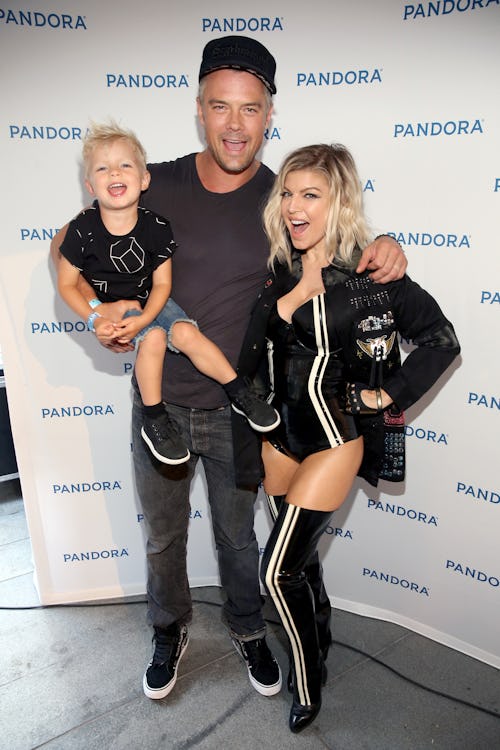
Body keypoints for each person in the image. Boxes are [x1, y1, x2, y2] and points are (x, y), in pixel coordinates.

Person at [50, 36, 407, 703]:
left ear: (270, 114)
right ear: (199, 110)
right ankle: (168, 629)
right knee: (162, 537)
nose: (235, 124)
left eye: (250, 108)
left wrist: (386, 244)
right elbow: (68, 244)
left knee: (239, 540)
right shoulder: (152, 183)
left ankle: (247, 629)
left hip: (242, 409)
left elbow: (344, 247)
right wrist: (102, 311)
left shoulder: (283, 202)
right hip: (160, 405)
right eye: (220, 106)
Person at [236, 143, 460, 732]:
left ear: (340, 201)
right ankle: (321, 633)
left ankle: (308, 680)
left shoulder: (372, 273)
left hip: (334, 441)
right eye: (288, 193)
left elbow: (441, 340)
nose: (294, 207)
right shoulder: (280, 265)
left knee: (276, 572)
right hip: (278, 440)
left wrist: (383, 397)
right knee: (301, 562)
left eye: (310, 195)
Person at [57, 121, 280, 466]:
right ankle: (154, 418)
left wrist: (146, 316)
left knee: (187, 333)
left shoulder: (156, 226)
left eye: (125, 165)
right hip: (117, 311)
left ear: (145, 179)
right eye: (102, 168)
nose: (114, 173)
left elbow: (162, 285)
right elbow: (66, 283)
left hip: (155, 302)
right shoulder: (83, 230)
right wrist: (96, 316)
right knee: (155, 339)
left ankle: (240, 393)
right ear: (89, 185)